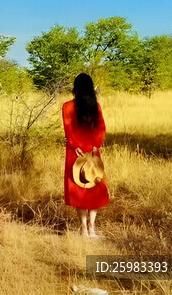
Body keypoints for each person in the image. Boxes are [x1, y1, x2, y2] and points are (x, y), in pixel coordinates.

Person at [62, 72, 109, 238]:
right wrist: (96, 145)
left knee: (79, 189)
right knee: (94, 188)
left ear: (75, 88)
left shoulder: (67, 106)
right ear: (90, 88)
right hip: (92, 151)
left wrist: (76, 146)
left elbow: (68, 129)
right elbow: (101, 129)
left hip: (75, 153)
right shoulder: (96, 106)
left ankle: (83, 229)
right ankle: (92, 229)